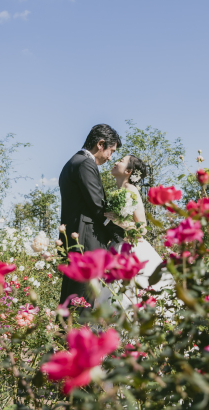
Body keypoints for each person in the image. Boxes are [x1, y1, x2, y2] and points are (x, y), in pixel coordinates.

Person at [58, 124, 126, 307]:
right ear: (100, 144)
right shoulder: (85, 164)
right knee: (82, 303)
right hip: (87, 239)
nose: (110, 157)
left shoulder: (72, 162)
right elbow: (97, 206)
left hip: (75, 237)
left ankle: (65, 334)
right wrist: (119, 233)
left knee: (71, 300)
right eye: (111, 151)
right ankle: (76, 334)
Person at [100, 154, 174, 310]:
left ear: (128, 171)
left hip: (130, 248)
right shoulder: (118, 191)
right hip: (116, 246)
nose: (115, 162)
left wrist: (117, 220)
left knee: (130, 296)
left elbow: (141, 229)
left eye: (121, 161)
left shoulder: (131, 189)